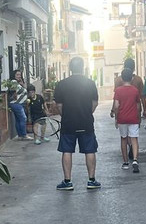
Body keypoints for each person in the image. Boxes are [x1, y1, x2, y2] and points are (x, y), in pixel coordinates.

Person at [53, 57, 100, 190]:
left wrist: (66, 115)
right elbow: (95, 103)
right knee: (90, 150)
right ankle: (91, 180)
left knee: (67, 150)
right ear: (83, 67)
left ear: (70, 68)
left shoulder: (62, 84)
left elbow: (59, 105)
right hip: (86, 122)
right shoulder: (90, 83)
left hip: (68, 122)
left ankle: (67, 182)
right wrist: (87, 113)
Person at [110, 69, 141, 173]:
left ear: (122, 79)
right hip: (133, 118)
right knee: (134, 139)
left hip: (122, 118)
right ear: (132, 78)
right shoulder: (135, 90)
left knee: (123, 139)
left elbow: (116, 105)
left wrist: (116, 118)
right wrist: (138, 117)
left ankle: (125, 162)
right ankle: (135, 160)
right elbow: (138, 105)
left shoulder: (118, 91)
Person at [8, 69, 29, 140]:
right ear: (14, 75)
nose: (19, 76)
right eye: (17, 75)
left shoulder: (18, 83)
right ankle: (24, 135)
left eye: (20, 75)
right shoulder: (13, 82)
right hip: (16, 104)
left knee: (18, 120)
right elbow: (22, 90)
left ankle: (20, 135)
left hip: (18, 104)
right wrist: (22, 85)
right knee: (23, 118)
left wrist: (22, 84)